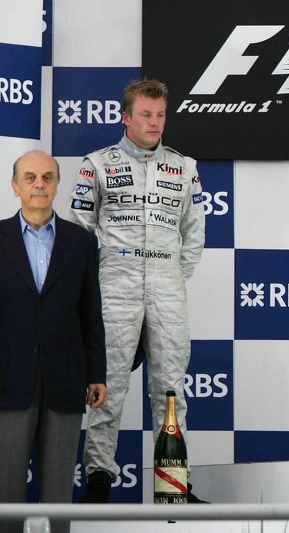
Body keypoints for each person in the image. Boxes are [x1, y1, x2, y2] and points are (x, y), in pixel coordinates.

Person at [67, 79, 205, 502]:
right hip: (114, 288)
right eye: (146, 114)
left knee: (170, 389)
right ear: (126, 117)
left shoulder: (185, 167)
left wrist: (169, 281)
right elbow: (78, 237)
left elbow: (193, 236)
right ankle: (98, 482)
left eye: (160, 115)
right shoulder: (97, 164)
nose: (154, 123)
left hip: (166, 290)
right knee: (106, 388)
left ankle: (174, 484)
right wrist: (97, 287)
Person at [0, 151, 106, 533]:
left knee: (59, 494)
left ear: (57, 185)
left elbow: (91, 314)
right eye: (29, 178)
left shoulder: (81, 242)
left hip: (66, 380)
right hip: (8, 383)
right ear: (15, 187)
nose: (39, 185)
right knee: (6, 496)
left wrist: (98, 374)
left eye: (47, 177)